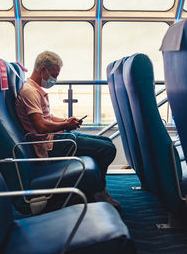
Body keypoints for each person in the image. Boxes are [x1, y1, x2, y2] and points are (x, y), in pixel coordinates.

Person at [15, 51, 120, 209]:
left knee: (106, 141)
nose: (55, 80)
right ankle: (98, 191)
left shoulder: (35, 89)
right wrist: (65, 125)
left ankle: (91, 188)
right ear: (43, 69)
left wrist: (66, 121)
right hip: (48, 146)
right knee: (107, 150)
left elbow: (47, 118)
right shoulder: (30, 92)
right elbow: (41, 126)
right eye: (54, 75)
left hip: (56, 137)